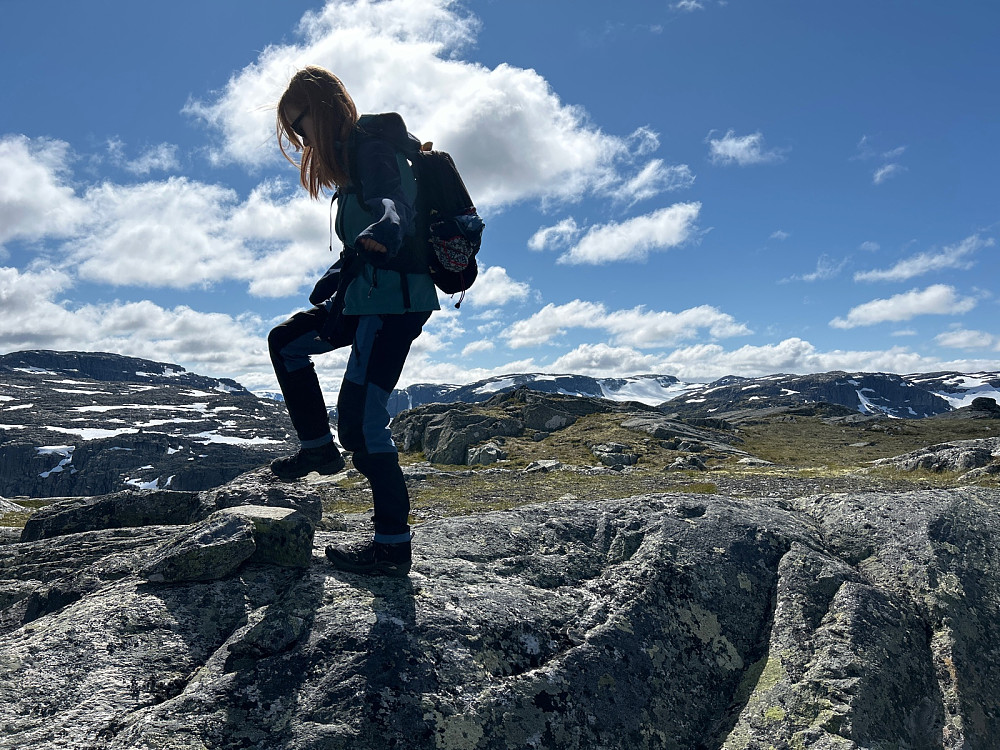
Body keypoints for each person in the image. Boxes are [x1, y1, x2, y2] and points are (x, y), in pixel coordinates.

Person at [268, 66, 439, 577]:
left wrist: (387, 225)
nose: (300, 138)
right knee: (287, 342)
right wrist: (340, 270)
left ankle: (391, 548)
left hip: (393, 304)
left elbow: (395, 203)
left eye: (301, 125)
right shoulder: (350, 156)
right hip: (361, 297)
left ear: (324, 110)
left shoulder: (370, 147)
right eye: (293, 130)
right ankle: (318, 450)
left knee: (363, 427)